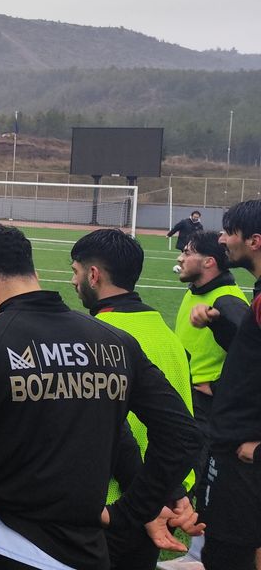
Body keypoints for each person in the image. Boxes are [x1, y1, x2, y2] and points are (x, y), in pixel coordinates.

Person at [0, 224, 200, 570]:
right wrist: (132, 510)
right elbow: (182, 433)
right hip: (88, 551)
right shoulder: (115, 340)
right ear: (33, 273)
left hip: (3, 544)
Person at [70, 229, 198, 570]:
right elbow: (184, 423)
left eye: (75, 271)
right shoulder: (166, 334)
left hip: (115, 504)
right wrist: (170, 494)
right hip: (163, 495)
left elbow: (110, 430)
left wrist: (143, 504)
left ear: (93, 275)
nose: (73, 281)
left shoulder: (95, 337)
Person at [159, 229, 251, 570]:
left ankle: (199, 554)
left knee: (206, 476)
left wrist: (218, 386)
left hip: (208, 407)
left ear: (209, 262)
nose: (180, 257)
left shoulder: (227, 300)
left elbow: (249, 353)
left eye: (188, 252)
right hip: (188, 399)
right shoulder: (197, 292)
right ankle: (197, 551)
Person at [199, 200, 261, 569]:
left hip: (243, 458)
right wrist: (220, 326)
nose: (222, 239)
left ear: (254, 240)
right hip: (235, 449)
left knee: (226, 554)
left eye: (228, 232)